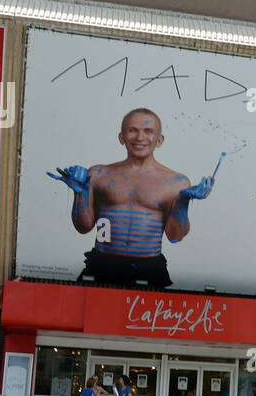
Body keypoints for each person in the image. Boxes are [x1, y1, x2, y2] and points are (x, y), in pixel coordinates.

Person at [48, 107, 216, 289]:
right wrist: (79, 193)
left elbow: (175, 236)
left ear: (159, 140)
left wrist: (183, 200)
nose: (140, 137)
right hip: (102, 263)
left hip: (149, 267)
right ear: (122, 137)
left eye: (148, 131)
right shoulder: (98, 174)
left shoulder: (176, 182)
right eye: (132, 130)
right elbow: (83, 227)